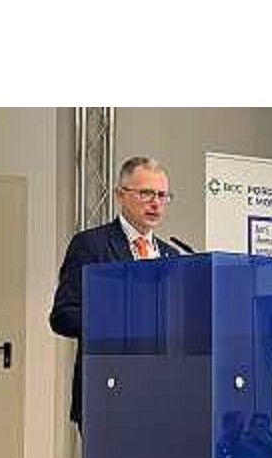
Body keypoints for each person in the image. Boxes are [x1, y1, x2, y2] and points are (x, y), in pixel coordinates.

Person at [49, 156, 179, 428]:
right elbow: (63, 315)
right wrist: (120, 322)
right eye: (146, 193)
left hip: (161, 393)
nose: (155, 203)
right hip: (106, 392)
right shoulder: (91, 245)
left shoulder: (172, 255)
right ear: (120, 195)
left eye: (162, 195)